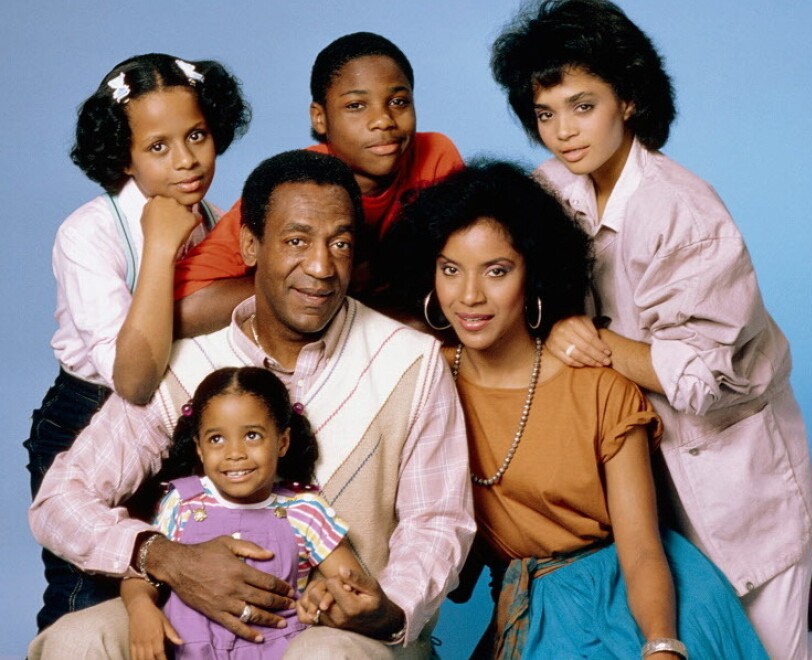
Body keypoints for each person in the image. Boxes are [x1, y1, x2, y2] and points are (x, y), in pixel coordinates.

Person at [28, 149, 475, 659]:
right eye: (296, 241)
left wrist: (388, 607)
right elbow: (60, 500)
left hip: (343, 636)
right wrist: (165, 557)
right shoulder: (185, 364)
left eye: (341, 243)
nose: (321, 267)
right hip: (194, 625)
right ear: (249, 244)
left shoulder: (410, 363)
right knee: (77, 641)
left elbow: (438, 520)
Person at [490, 1, 812, 657]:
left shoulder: (684, 212)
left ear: (629, 99)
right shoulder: (550, 188)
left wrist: (591, 340)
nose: (563, 131)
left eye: (582, 106)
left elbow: (707, 380)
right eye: (545, 113)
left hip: (735, 485)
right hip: (637, 484)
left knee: (763, 649)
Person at [386, 160, 768, 658]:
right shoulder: (422, 379)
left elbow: (643, 550)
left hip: (634, 601)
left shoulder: (599, 390)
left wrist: (661, 644)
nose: (470, 296)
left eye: (496, 271)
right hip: (529, 603)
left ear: (534, 275)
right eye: (450, 270)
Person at [23, 52, 250, 631]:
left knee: (169, 597)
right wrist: (157, 242)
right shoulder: (87, 233)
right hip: (88, 414)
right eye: (158, 146)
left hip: (170, 422)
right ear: (120, 153)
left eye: (196, 135)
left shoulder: (214, 218)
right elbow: (134, 378)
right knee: (87, 597)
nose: (186, 160)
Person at [174, 32, 463, 336]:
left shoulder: (435, 155)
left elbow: (462, 283)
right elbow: (186, 307)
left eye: (398, 101)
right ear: (320, 118)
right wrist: (329, 288)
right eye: (356, 105)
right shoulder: (295, 184)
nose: (383, 120)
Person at [122, 366, 363, 659]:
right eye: (216, 439)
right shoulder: (182, 504)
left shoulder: (304, 511)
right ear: (199, 448)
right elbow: (144, 573)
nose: (234, 453)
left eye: (252, 435)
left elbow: (352, 588)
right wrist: (141, 608)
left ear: (282, 442)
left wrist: (325, 591)